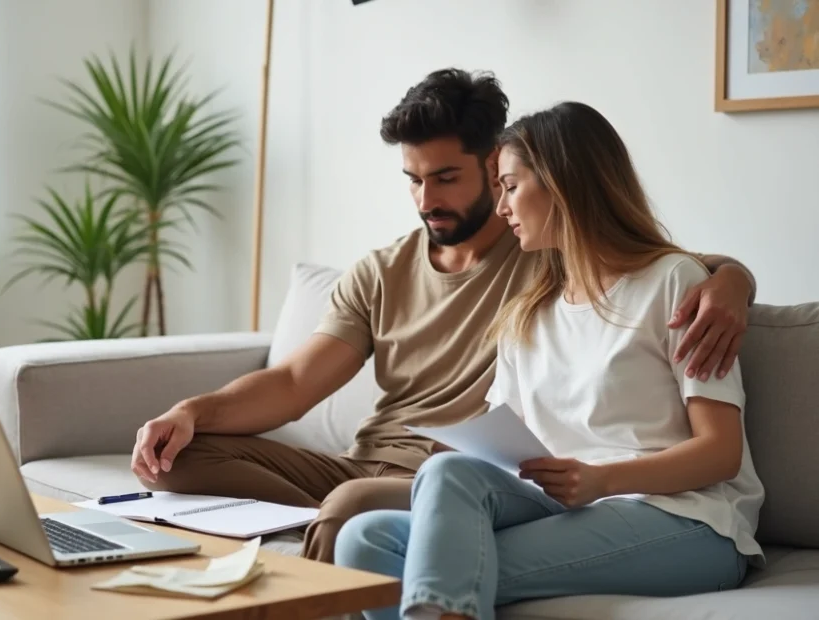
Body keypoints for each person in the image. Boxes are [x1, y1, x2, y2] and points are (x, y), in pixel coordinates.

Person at [130, 69, 757, 564]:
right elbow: (295, 384)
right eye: (413, 180)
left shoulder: (539, 252)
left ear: (495, 169)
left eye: (447, 178)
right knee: (178, 460)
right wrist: (191, 413)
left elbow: (644, 259)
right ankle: (346, 518)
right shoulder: (381, 271)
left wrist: (734, 280)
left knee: (363, 505)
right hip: (362, 462)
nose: (427, 200)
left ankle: (355, 523)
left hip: (454, 473)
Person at [332, 100, 766, 620]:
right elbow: (495, 452)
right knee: (367, 536)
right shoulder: (527, 314)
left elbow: (721, 454)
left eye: (510, 187)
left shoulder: (675, 284)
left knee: (434, 564)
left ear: (562, 184)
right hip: (566, 507)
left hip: (684, 520)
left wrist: (604, 480)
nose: (501, 208)